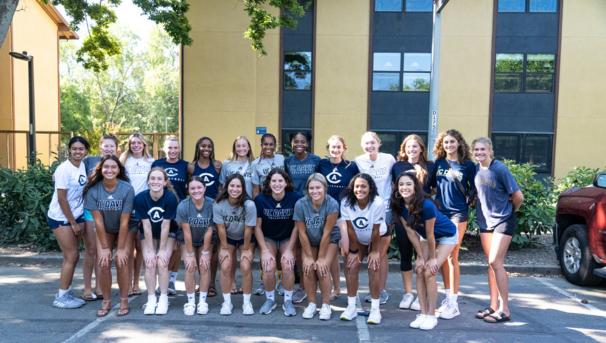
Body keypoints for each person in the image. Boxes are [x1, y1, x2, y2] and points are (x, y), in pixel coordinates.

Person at [391, 172, 458, 331]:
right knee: (420, 269)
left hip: (446, 235)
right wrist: (420, 256)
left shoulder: (426, 205)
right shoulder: (399, 205)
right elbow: (410, 232)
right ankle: (422, 314)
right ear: (397, 188)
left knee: (429, 272)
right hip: (425, 236)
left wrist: (432, 258)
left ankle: (431, 315)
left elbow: (430, 234)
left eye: (408, 184)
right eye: (401, 184)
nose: (404, 187)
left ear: (415, 187)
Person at [472, 137, 524, 323]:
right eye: (476, 150)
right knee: (490, 263)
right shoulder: (476, 169)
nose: (479, 153)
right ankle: (493, 306)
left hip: (503, 220)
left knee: (496, 262)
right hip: (485, 221)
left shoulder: (499, 168)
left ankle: (505, 310)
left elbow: (518, 197)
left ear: (490, 150)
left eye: (482, 149)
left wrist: (510, 212)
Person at [430, 129, 476, 319]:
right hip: (441, 214)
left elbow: (474, 187)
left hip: (458, 213)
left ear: (459, 144)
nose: (449, 145)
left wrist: (472, 195)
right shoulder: (438, 164)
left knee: (451, 256)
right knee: (441, 258)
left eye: (452, 142)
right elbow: (432, 186)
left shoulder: (468, 165)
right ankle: (448, 298)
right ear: (442, 145)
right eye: (445, 143)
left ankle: (454, 304)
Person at [83, 155, 135, 317]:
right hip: (104, 228)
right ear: (101, 170)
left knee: (122, 261)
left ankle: (124, 300)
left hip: (125, 227)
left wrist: (120, 249)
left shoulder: (127, 189)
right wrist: (105, 248)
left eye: (114, 167)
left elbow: (125, 222)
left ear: (119, 170)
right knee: (104, 262)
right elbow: (97, 221)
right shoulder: (93, 191)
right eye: (106, 167)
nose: (110, 170)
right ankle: (106, 301)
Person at [390, 134, 435, 310]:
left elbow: (434, 189)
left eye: (415, 146)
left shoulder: (431, 166)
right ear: (404, 149)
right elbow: (396, 189)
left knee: (422, 256)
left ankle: (420, 295)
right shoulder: (397, 166)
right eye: (409, 147)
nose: (412, 150)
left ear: (421, 149)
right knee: (405, 254)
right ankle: (408, 294)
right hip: (403, 214)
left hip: (423, 216)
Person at [47, 136, 90, 309]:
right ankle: (61, 297)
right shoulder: (64, 169)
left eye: (81, 149)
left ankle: (66, 292)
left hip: (77, 215)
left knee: (69, 257)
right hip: (61, 217)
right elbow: (62, 200)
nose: (78, 152)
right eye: (74, 149)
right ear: (69, 150)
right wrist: (73, 223)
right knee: (72, 255)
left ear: (85, 151)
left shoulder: (82, 165)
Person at [315, 135, 359, 301]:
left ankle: (351, 289)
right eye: (332, 147)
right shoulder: (321, 164)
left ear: (344, 148)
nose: (335, 150)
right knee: (331, 252)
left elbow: (357, 186)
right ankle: (337, 288)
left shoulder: (351, 166)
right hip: (327, 212)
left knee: (346, 251)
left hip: (346, 214)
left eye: (338, 147)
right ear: (328, 148)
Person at [339, 174, 387, 325]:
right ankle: (351, 307)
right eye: (357, 186)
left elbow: (375, 230)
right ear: (352, 188)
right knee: (351, 266)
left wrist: (374, 251)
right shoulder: (346, 202)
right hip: (358, 237)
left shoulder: (378, 203)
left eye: (364, 186)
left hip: (379, 237)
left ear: (370, 188)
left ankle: (375, 310)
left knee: (373, 268)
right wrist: (353, 250)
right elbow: (350, 228)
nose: (360, 189)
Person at [254, 168, 303, 316]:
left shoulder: (295, 197)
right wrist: (264, 250)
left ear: (286, 182)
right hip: (269, 236)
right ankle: (270, 300)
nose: (277, 184)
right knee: (268, 267)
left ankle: (287, 301)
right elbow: (257, 227)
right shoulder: (260, 199)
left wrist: (289, 250)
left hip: (288, 236)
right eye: (273, 181)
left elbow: (297, 226)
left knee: (288, 266)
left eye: (280, 180)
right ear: (268, 183)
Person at [355, 132, 395, 305]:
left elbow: (396, 179)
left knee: (379, 251)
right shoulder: (358, 161)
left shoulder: (389, 159)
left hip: (385, 209)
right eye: (366, 143)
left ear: (379, 143)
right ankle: (374, 288)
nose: (369, 146)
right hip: (366, 209)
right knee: (371, 250)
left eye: (372, 143)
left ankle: (381, 290)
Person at [295, 173, 340, 320]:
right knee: (307, 269)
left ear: (325, 188)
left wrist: (321, 258)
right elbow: (301, 233)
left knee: (322, 268)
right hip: (309, 239)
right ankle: (312, 304)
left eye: (318, 188)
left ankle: (326, 305)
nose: (315, 191)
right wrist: (308, 256)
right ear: (307, 189)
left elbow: (327, 233)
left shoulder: (332, 203)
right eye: (311, 188)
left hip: (329, 239)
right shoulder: (301, 204)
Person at [135, 167, 179, 315]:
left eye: (159, 179)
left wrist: (161, 249)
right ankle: (152, 298)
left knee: (162, 262)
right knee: (150, 262)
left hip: (168, 232)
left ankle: (164, 298)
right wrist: (150, 250)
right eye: (152, 178)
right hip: (149, 233)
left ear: (165, 182)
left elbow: (166, 224)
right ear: (148, 181)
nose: (156, 181)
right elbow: (146, 225)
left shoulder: (170, 197)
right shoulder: (140, 198)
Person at [284, 131, 321, 304]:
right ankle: (303, 286)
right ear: (291, 143)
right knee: (299, 242)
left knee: (316, 242)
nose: (299, 144)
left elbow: (321, 182)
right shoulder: (288, 161)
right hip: (295, 206)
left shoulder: (316, 160)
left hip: (314, 205)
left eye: (302, 141)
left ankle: (319, 279)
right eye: (296, 141)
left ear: (307, 144)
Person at [214, 174, 257, 316]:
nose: (235, 189)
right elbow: (220, 228)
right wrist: (224, 248)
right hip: (228, 237)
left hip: (246, 237)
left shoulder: (249, 204)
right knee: (225, 266)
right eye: (232, 185)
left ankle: (247, 301)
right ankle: (227, 302)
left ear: (243, 188)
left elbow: (248, 229)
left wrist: (245, 250)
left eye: (238, 186)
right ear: (227, 187)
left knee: (245, 266)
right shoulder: (219, 203)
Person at [153, 136, 189, 296]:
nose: (173, 151)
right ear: (164, 148)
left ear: (179, 149)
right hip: (158, 210)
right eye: (170, 148)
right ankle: (162, 279)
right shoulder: (157, 164)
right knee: (160, 247)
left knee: (175, 248)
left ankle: (171, 280)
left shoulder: (186, 166)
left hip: (179, 211)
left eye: (175, 148)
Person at [120, 133, 155, 297]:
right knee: (128, 249)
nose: (136, 145)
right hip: (126, 207)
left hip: (143, 207)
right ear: (129, 145)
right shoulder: (123, 161)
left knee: (140, 247)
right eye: (133, 143)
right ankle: (126, 285)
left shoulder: (151, 162)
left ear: (144, 145)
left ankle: (136, 283)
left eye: (138, 143)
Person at [219, 136, 255, 295]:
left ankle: (248, 285)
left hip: (247, 207)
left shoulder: (254, 164)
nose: (241, 148)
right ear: (235, 148)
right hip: (231, 207)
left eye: (244, 146)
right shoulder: (227, 164)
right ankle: (232, 281)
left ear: (248, 148)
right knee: (230, 255)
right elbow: (222, 186)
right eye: (238, 146)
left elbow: (256, 187)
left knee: (246, 253)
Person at [251, 133, 285, 296]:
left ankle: (279, 281)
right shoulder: (255, 163)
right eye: (266, 144)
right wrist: (256, 206)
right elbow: (255, 189)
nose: (269, 147)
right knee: (264, 247)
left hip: (278, 203)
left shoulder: (281, 160)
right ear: (261, 145)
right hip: (264, 205)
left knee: (278, 249)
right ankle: (263, 281)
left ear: (275, 145)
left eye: (272, 144)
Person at [187, 136, 222, 297]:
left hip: (213, 209)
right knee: (198, 246)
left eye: (209, 146)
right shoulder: (191, 166)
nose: (206, 149)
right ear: (198, 147)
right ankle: (201, 283)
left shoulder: (217, 165)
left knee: (213, 247)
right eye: (203, 146)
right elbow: (190, 187)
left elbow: (220, 188)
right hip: (196, 210)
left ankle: (211, 283)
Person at [175, 176, 215, 316]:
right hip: (188, 239)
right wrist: (190, 255)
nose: (196, 190)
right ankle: (191, 302)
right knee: (190, 266)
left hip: (205, 238)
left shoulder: (211, 204)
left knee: (204, 265)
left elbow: (210, 229)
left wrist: (205, 252)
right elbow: (186, 233)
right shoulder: (183, 206)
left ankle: (202, 301)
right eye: (192, 188)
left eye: (199, 187)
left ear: (204, 188)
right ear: (188, 190)